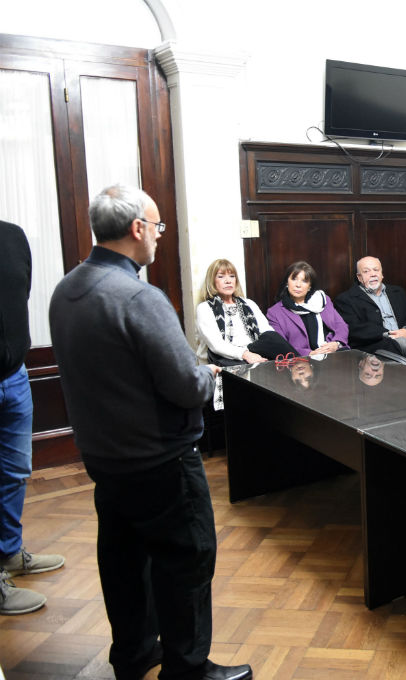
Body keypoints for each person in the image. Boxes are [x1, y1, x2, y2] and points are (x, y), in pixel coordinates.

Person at [49, 185, 252, 680]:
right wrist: (207, 375)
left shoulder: (66, 288)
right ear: (137, 228)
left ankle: (135, 652)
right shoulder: (139, 296)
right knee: (187, 559)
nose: (160, 235)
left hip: (105, 457)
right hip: (159, 459)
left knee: (124, 560)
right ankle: (187, 669)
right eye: (158, 226)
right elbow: (185, 385)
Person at [1, 220, 65, 616]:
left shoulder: (12, 236)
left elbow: (17, 296)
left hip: (14, 376)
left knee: (14, 473)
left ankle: (8, 554)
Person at [195, 258, 294, 366]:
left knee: (271, 337)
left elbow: (267, 332)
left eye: (232, 276)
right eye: (221, 276)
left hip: (253, 350)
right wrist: (245, 354)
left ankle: (299, 364)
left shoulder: (249, 303)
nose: (228, 281)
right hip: (225, 357)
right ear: (212, 281)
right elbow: (216, 345)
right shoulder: (205, 308)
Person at [266, 261, 349, 357]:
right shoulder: (275, 313)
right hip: (301, 360)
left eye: (304, 281)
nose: (298, 285)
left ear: (310, 286)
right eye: (294, 279)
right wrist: (310, 353)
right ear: (287, 282)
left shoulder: (322, 300)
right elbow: (281, 345)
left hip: (333, 354)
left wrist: (336, 343)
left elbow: (341, 325)